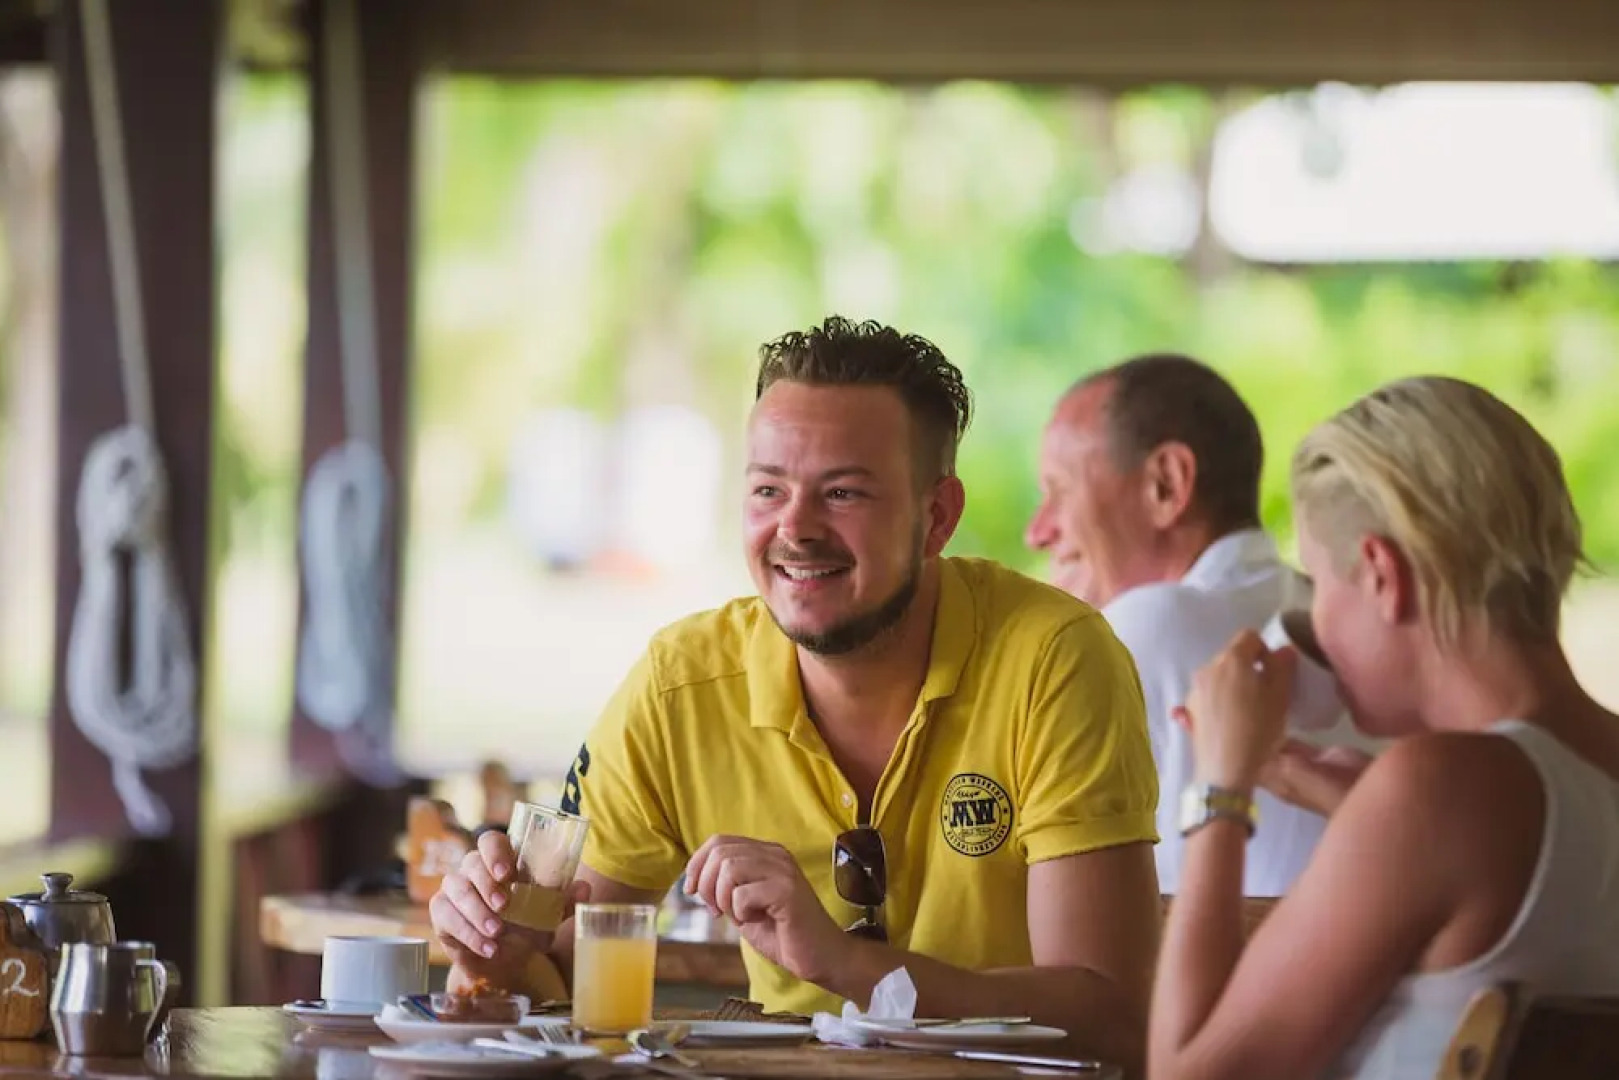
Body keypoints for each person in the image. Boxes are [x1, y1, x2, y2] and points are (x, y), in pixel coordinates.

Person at [431, 317, 1162, 1069]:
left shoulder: (1054, 658)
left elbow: (1111, 1017)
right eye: (767, 489)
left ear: (936, 517)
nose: (795, 528)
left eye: (842, 492)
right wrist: (492, 959)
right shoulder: (680, 683)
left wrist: (844, 965)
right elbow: (555, 971)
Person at [1148, 376, 1619, 1080]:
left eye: (1317, 583)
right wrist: (1363, 808)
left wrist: (1220, 790)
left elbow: (1188, 1075)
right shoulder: (1524, 786)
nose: (1316, 618)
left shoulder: (1441, 788)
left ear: (1379, 574)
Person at [1026, 354, 1358, 896]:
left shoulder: (1144, 625)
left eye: (1059, 491)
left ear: (1167, 484)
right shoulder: (1333, 613)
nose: (1038, 532)